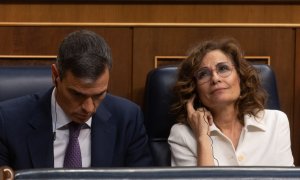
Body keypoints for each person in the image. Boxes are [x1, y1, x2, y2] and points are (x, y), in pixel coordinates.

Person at [0, 30, 153, 170]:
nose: (89, 108)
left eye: (98, 95)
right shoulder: (8, 121)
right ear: (55, 75)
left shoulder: (128, 119)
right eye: (77, 95)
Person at [168, 38, 294, 166]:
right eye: (203, 74)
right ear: (194, 88)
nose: (215, 79)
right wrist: (202, 138)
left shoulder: (276, 122)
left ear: (240, 77)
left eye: (223, 68)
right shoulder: (182, 135)